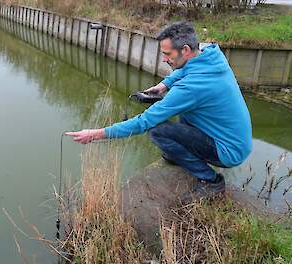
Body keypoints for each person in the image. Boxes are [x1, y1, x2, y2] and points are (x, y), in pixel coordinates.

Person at [65, 21, 252, 203]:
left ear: (185, 50)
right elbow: (186, 68)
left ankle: (211, 181)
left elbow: (144, 122)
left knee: (158, 131)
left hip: (228, 151)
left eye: (167, 54)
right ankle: (179, 154)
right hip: (234, 139)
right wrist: (164, 85)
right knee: (183, 111)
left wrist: (96, 134)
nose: (164, 59)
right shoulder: (211, 55)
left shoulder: (190, 88)